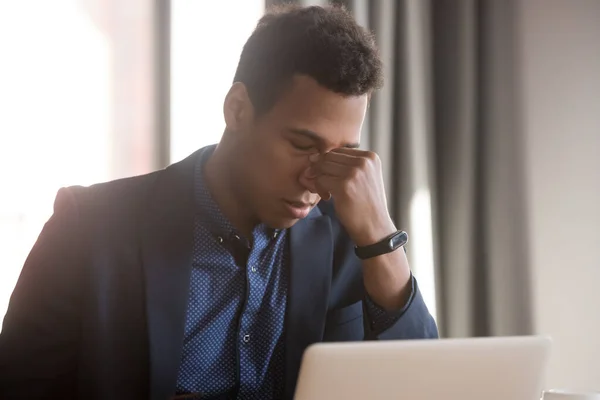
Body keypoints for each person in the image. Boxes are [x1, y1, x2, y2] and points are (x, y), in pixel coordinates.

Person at [0, 4, 437, 400]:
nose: (319, 180)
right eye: (303, 145)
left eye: (340, 155)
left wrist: (382, 236)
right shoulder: (88, 228)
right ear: (238, 109)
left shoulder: (356, 240)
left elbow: (426, 384)